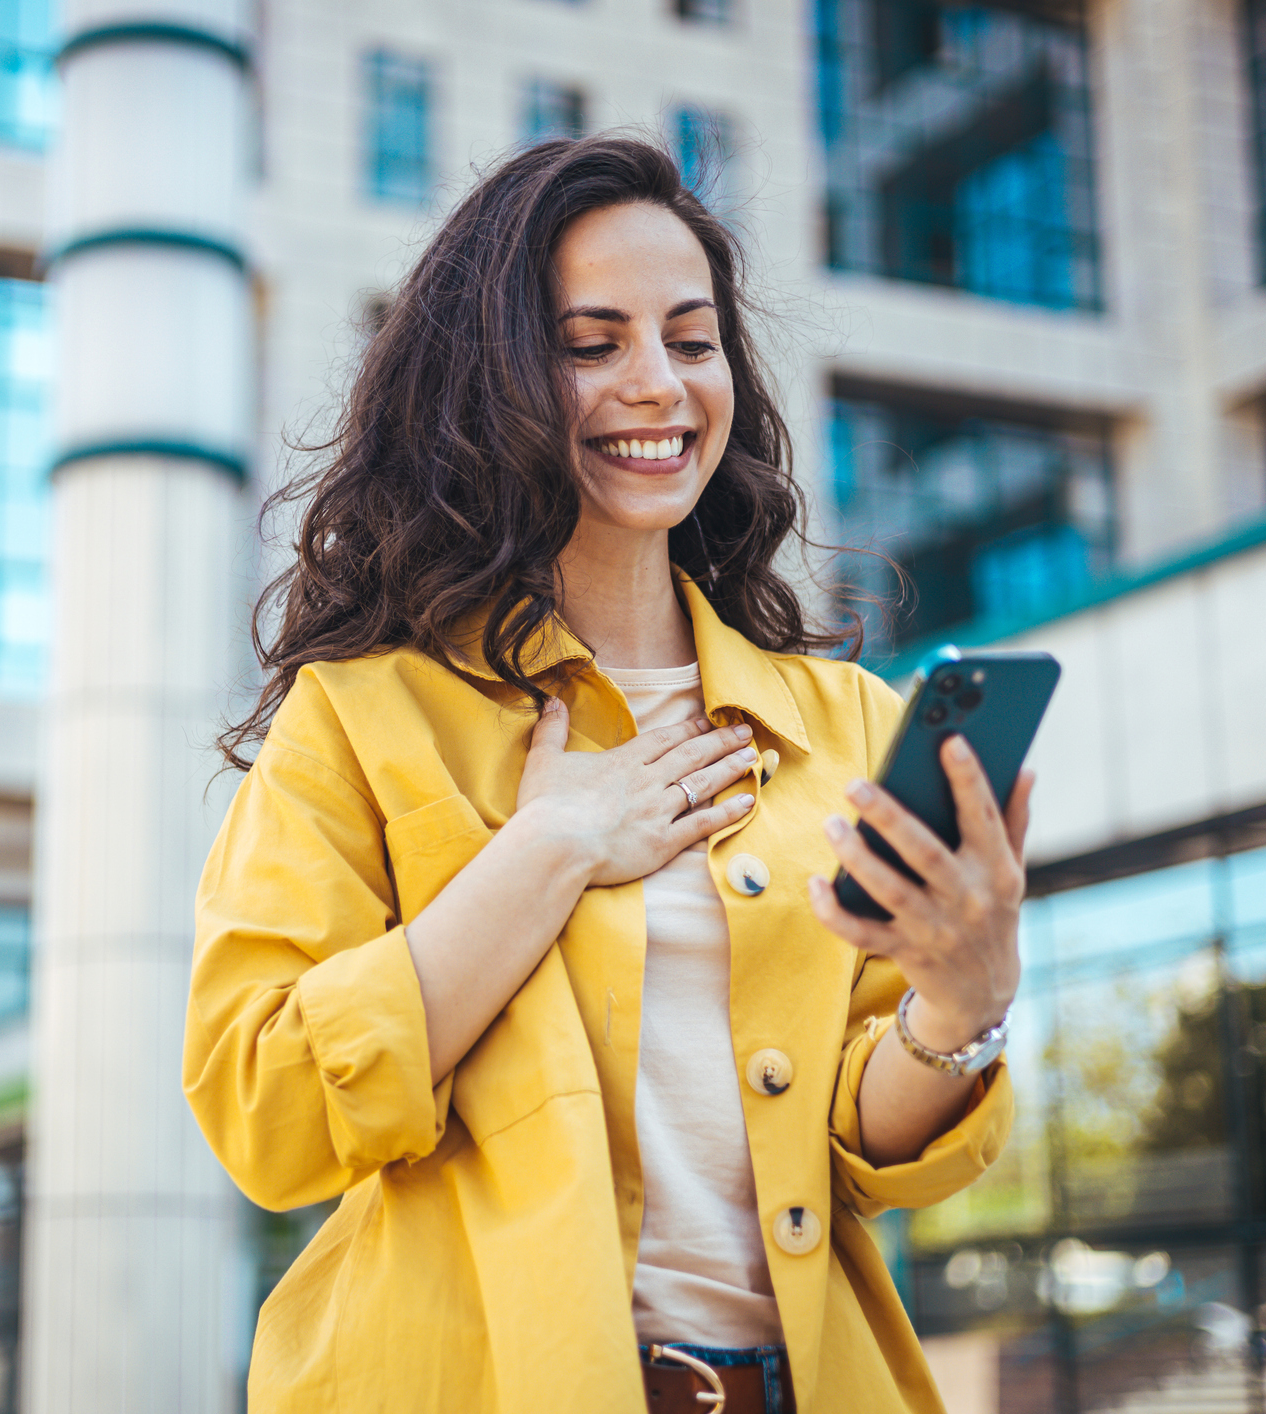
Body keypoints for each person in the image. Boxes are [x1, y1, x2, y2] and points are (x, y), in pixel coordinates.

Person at [185, 135, 1031, 1414]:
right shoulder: (359, 717)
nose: (660, 386)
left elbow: (861, 1146)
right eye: (593, 346)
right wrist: (548, 849)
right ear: (496, 384)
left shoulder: (846, 723)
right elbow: (270, 1112)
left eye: (692, 344)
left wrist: (961, 1010)